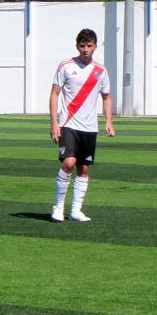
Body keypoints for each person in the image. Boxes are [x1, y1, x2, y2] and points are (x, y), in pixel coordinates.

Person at [48, 28, 114, 223]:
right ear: (77, 46)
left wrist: (108, 121)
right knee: (68, 163)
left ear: (95, 46)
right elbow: (54, 94)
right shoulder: (66, 66)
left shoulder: (101, 71)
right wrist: (54, 123)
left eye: (89, 45)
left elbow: (106, 97)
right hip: (68, 124)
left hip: (89, 127)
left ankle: (76, 210)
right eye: (82, 45)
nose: (86, 49)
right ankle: (58, 207)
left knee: (83, 169)